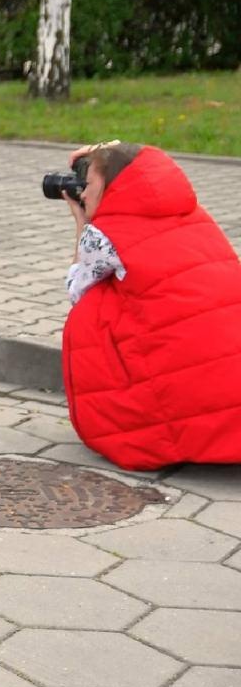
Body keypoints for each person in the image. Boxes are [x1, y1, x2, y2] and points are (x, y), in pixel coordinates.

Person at [60, 141, 241, 471]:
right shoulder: (192, 216)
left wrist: (80, 223)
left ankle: (152, 427)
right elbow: (129, 161)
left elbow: (76, 289)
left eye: (89, 185)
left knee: (91, 311)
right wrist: (100, 154)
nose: (82, 194)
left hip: (188, 379)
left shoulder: (106, 234)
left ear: (113, 187)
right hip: (227, 373)